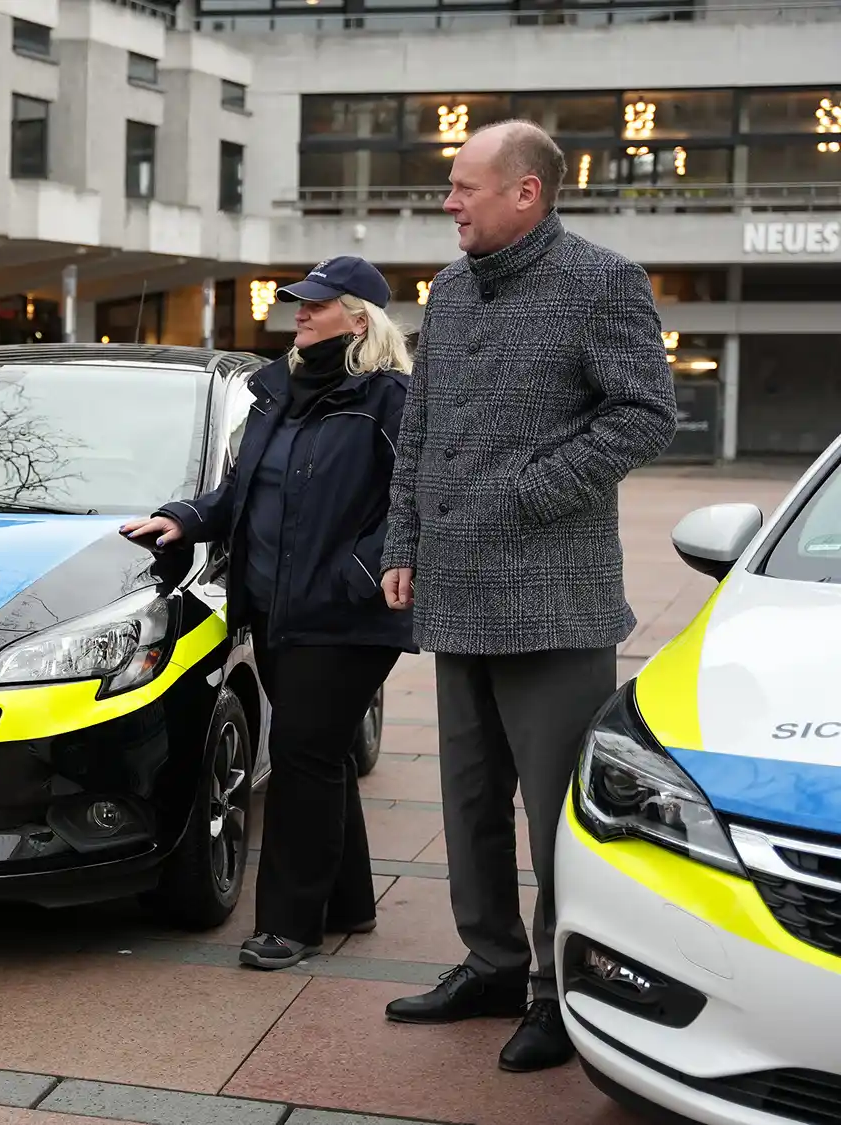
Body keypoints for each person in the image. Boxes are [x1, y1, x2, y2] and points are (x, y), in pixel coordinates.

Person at [378, 121, 676, 1072]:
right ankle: (494, 962)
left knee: (557, 818)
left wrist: (526, 492)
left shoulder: (604, 281)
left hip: (554, 601)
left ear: (526, 195)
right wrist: (403, 541)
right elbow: (419, 429)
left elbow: (645, 414)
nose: (449, 203)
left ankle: (558, 990)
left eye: (465, 187)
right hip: (457, 594)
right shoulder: (451, 290)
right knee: (467, 799)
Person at [122, 256, 415, 971]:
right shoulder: (273, 396)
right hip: (276, 608)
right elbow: (240, 495)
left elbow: (419, 501)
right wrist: (185, 519)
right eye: (299, 303)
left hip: (345, 614)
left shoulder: (391, 400)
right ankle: (349, 904)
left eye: (316, 304)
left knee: (302, 755)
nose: (300, 314)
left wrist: (361, 569)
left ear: (359, 317)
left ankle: (290, 923)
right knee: (325, 754)